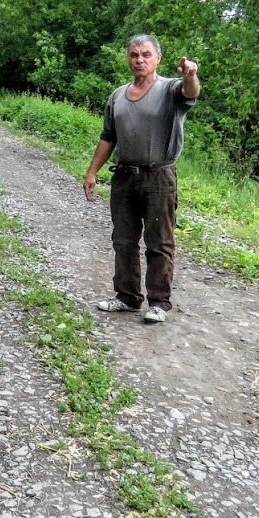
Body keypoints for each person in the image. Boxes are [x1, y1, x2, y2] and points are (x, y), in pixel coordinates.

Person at [83, 34, 200, 324]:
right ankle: (127, 296)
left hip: (159, 176)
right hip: (125, 176)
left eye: (146, 54)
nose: (140, 60)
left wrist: (190, 74)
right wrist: (92, 171)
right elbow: (108, 137)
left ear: (158, 58)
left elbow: (190, 93)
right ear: (128, 59)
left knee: (159, 242)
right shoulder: (118, 96)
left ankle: (159, 302)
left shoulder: (170, 89)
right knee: (123, 240)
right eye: (134, 54)